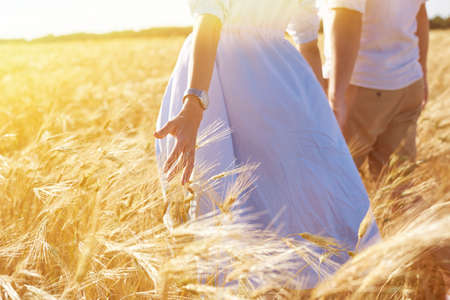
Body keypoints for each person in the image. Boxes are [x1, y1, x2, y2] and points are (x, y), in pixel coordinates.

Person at [154, 0, 378, 287]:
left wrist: (194, 103)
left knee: (221, 205)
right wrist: (318, 109)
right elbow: (308, 44)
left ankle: (241, 285)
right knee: (290, 195)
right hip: (283, 77)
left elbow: (208, 23)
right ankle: (312, 278)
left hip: (217, 73)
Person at [303, 0, 429, 178]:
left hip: (360, 85)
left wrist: (336, 97)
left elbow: (347, 16)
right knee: (398, 186)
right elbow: (420, 12)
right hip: (409, 82)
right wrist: (422, 72)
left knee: (335, 182)